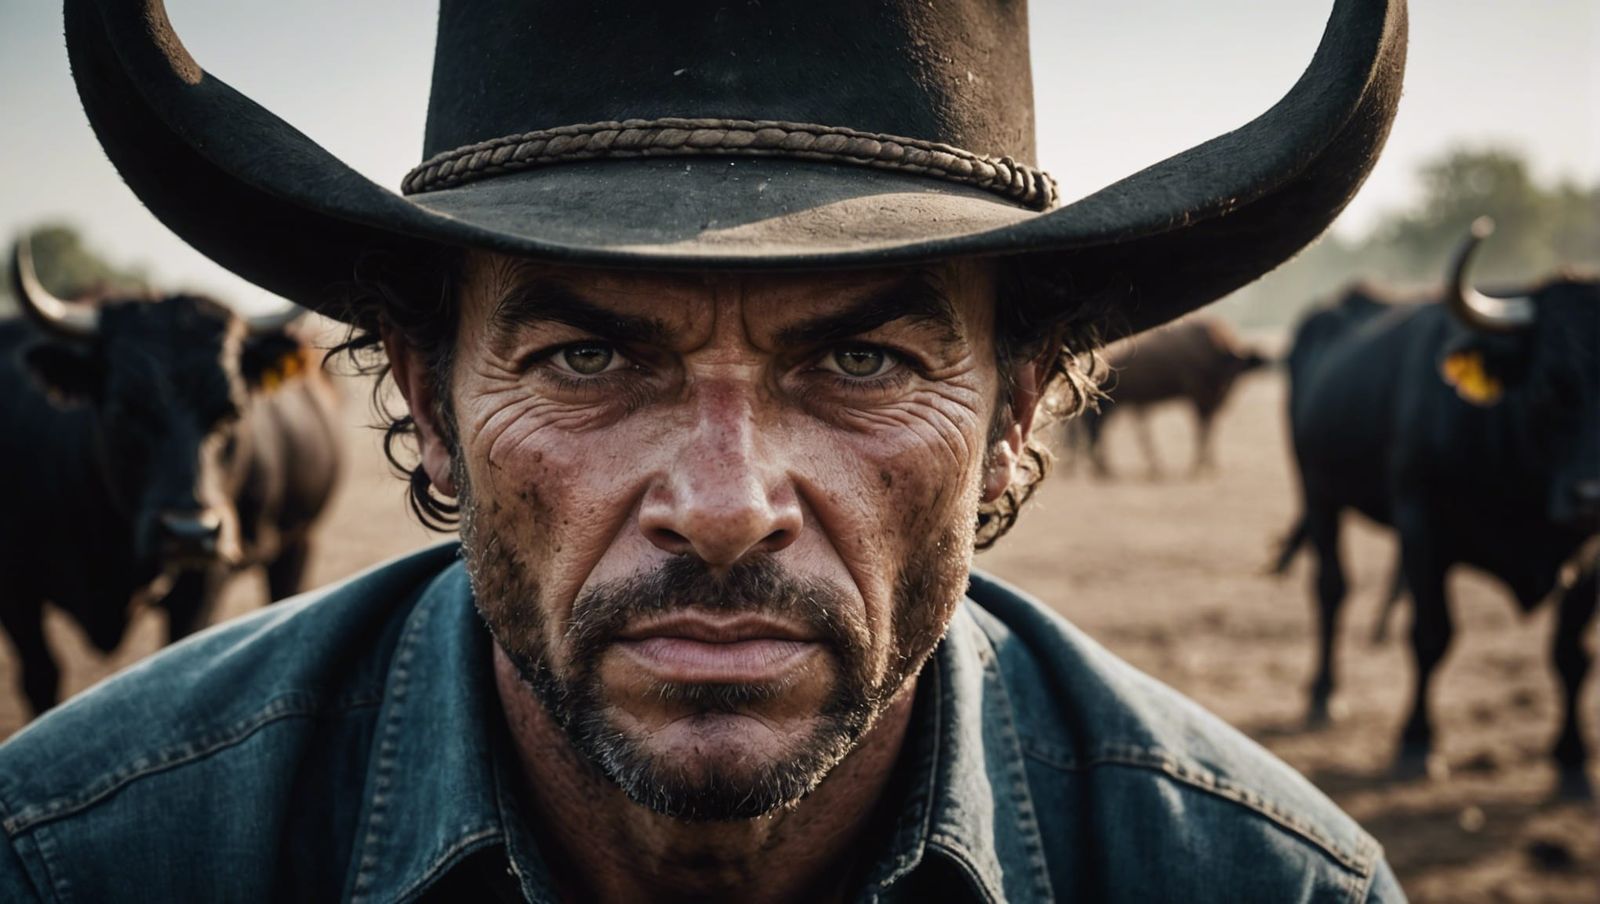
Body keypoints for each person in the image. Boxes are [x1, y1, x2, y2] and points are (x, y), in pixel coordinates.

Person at [0, 0, 1408, 900]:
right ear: (428, 399)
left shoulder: (1259, 883)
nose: (726, 508)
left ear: (1014, 408)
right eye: (589, 358)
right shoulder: (84, 863)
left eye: (863, 361)